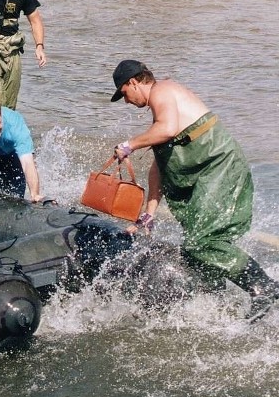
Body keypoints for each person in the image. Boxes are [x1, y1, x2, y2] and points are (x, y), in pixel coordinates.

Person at [110, 59, 279, 321]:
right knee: (195, 248)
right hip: (210, 172)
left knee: (202, 242)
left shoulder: (162, 90)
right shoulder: (162, 116)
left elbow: (165, 130)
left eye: (123, 94)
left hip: (218, 166)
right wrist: (148, 215)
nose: (126, 101)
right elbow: (159, 168)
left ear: (133, 82)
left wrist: (129, 145)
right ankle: (217, 305)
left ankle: (263, 287)